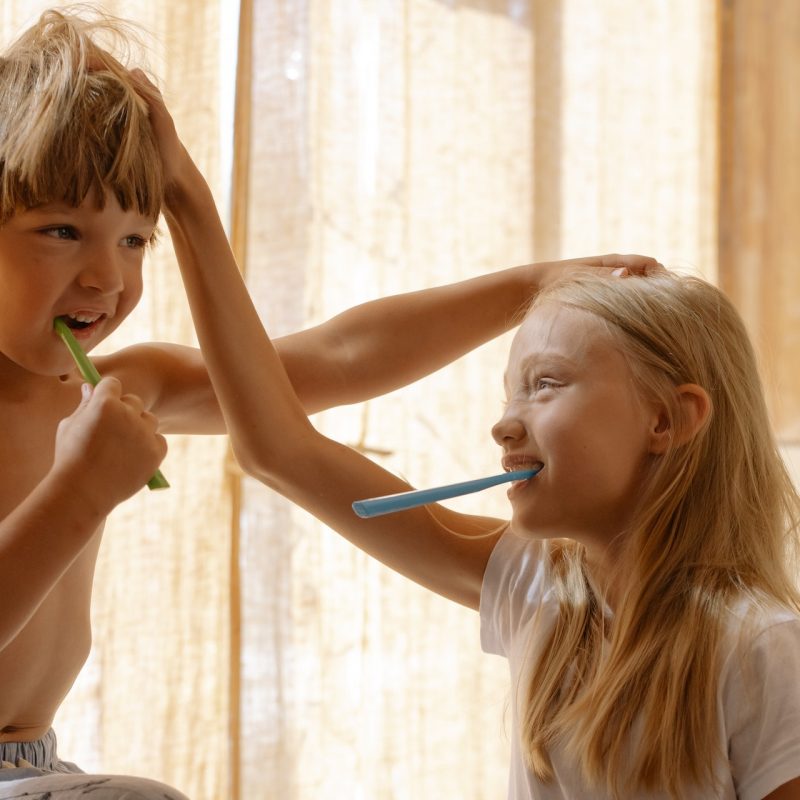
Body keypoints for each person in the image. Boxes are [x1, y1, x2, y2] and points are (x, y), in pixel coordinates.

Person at [0, 6, 658, 798]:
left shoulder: (115, 387)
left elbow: (336, 359)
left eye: (136, 238)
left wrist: (529, 288)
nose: (108, 276)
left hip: (37, 766)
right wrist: (78, 493)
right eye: (62, 231)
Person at [156, 40, 800, 800]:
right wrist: (187, 202)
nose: (504, 425)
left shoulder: (760, 648)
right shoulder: (539, 588)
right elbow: (275, 448)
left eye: (546, 385)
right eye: (508, 392)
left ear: (669, 418)